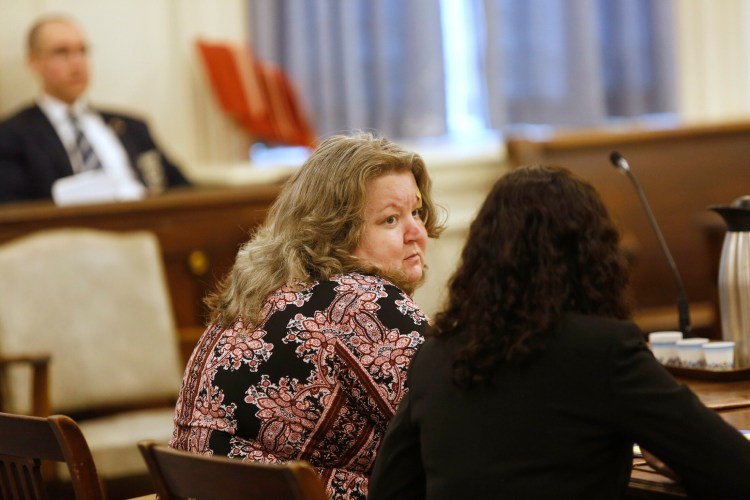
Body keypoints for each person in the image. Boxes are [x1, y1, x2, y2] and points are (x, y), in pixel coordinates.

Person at [368, 165, 750, 499]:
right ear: (593, 255)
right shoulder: (604, 351)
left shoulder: (434, 357)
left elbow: (390, 491)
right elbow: (734, 469)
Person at [170, 132, 444, 499]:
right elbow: (454, 425)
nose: (417, 233)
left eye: (416, 212)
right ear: (335, 231)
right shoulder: (362, 302)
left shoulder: (264, 287)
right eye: (390, 220)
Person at [0, 15, 190, 204]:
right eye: (61, 52)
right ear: (33, 61)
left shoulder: (132, 126)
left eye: (82, 51)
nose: (76, 63)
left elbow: (181, 188)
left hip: (148, 221)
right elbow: (13, 207)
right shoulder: (14, 134)